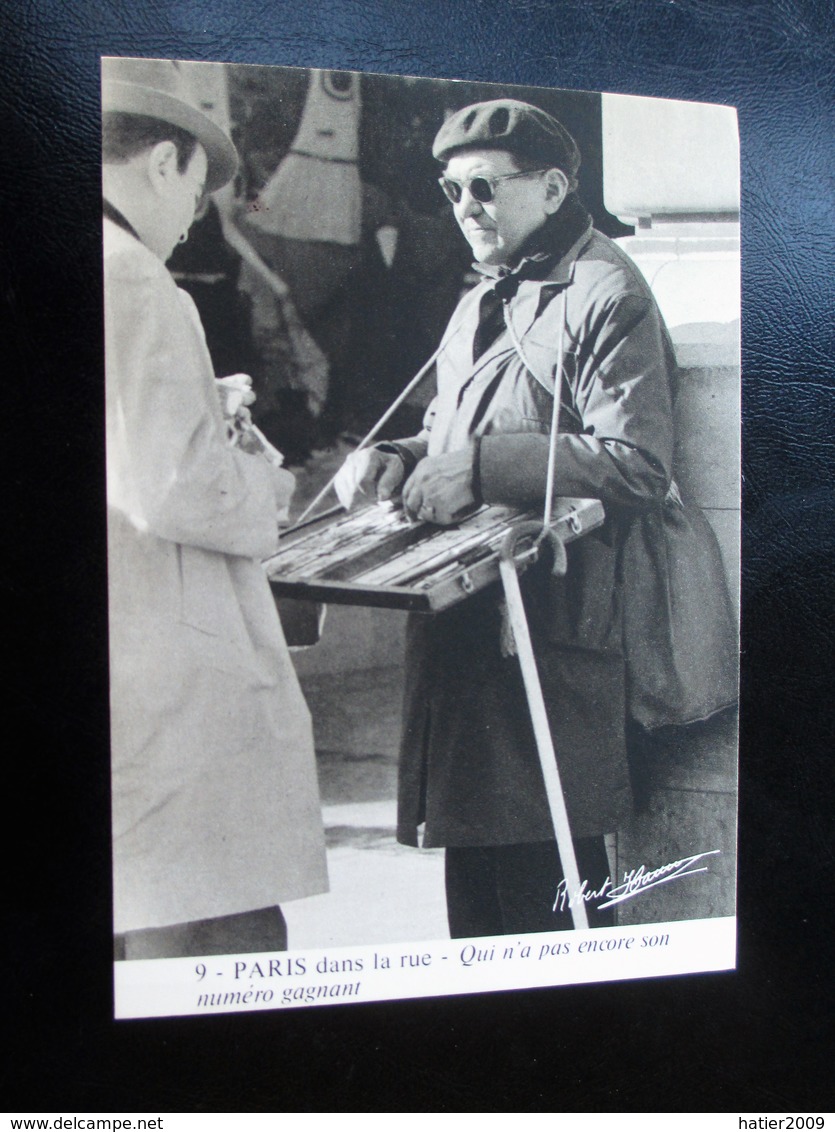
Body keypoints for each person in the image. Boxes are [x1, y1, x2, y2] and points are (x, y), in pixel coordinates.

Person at [335, 98, 680, 937]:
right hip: (468, 626)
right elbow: (455, 425)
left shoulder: (604, 290)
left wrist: (482, 468)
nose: (465, 211)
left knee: (543, 882)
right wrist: (401, 458)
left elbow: (637, 465)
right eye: (451, 192)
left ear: (555, 188)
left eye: (484, 189)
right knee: (474, 891)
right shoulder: (482, 297)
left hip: (549, 630)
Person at [102, 57, 327, 960]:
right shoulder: (133, 278)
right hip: (171, 657)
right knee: (205, 927)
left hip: (128, 647)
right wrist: (266, 482)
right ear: (165, 162)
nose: (196, 220)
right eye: (197, 195)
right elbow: (172, 488)